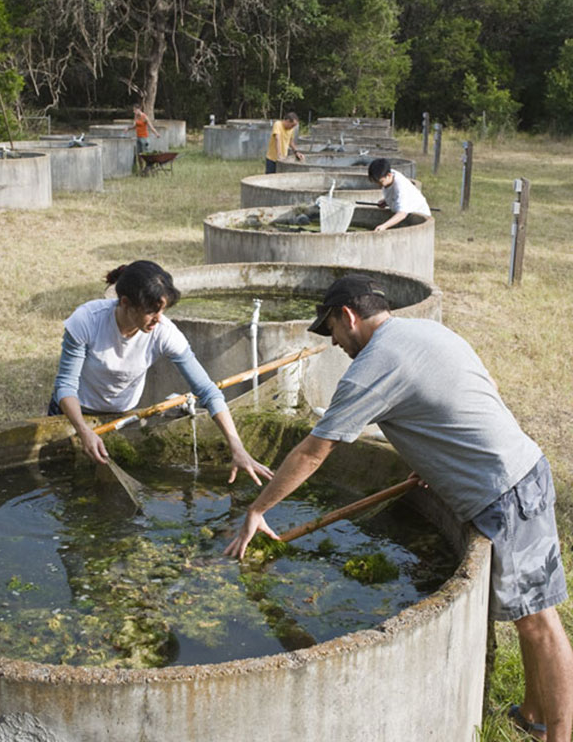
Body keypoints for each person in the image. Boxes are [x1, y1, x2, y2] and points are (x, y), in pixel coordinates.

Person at [225, 274, 573, 742]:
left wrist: (257, 511)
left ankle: (560, 734)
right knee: (529, 613)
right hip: (518, 473)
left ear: (347, 315)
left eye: (331, 331)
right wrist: (441, 458)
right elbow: (474, 387)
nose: (335, 344)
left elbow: (313, 452)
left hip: (505, 491)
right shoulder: (424, 332)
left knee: (538, 621)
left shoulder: (373, 364)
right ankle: (533, 714)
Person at [48, 260, 273, 486]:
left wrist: (237, 447)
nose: (158, 318)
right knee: (59, 482)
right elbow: (66, 385)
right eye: (150, 311)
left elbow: (208, 391)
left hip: (118, 417)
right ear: (125, 303)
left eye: (162, 310)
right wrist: (83, 430)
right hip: (72, 414)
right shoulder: (87, 321)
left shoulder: (163, 333)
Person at [368, 157, 431, 232]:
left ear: (389, 175)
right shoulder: (388, 176)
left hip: (418, 218)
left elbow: (402, 214)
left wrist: (384, 226)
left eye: (380, 182)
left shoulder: (401, 187)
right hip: (407, 215)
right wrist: (386, 200)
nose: (378, 185)